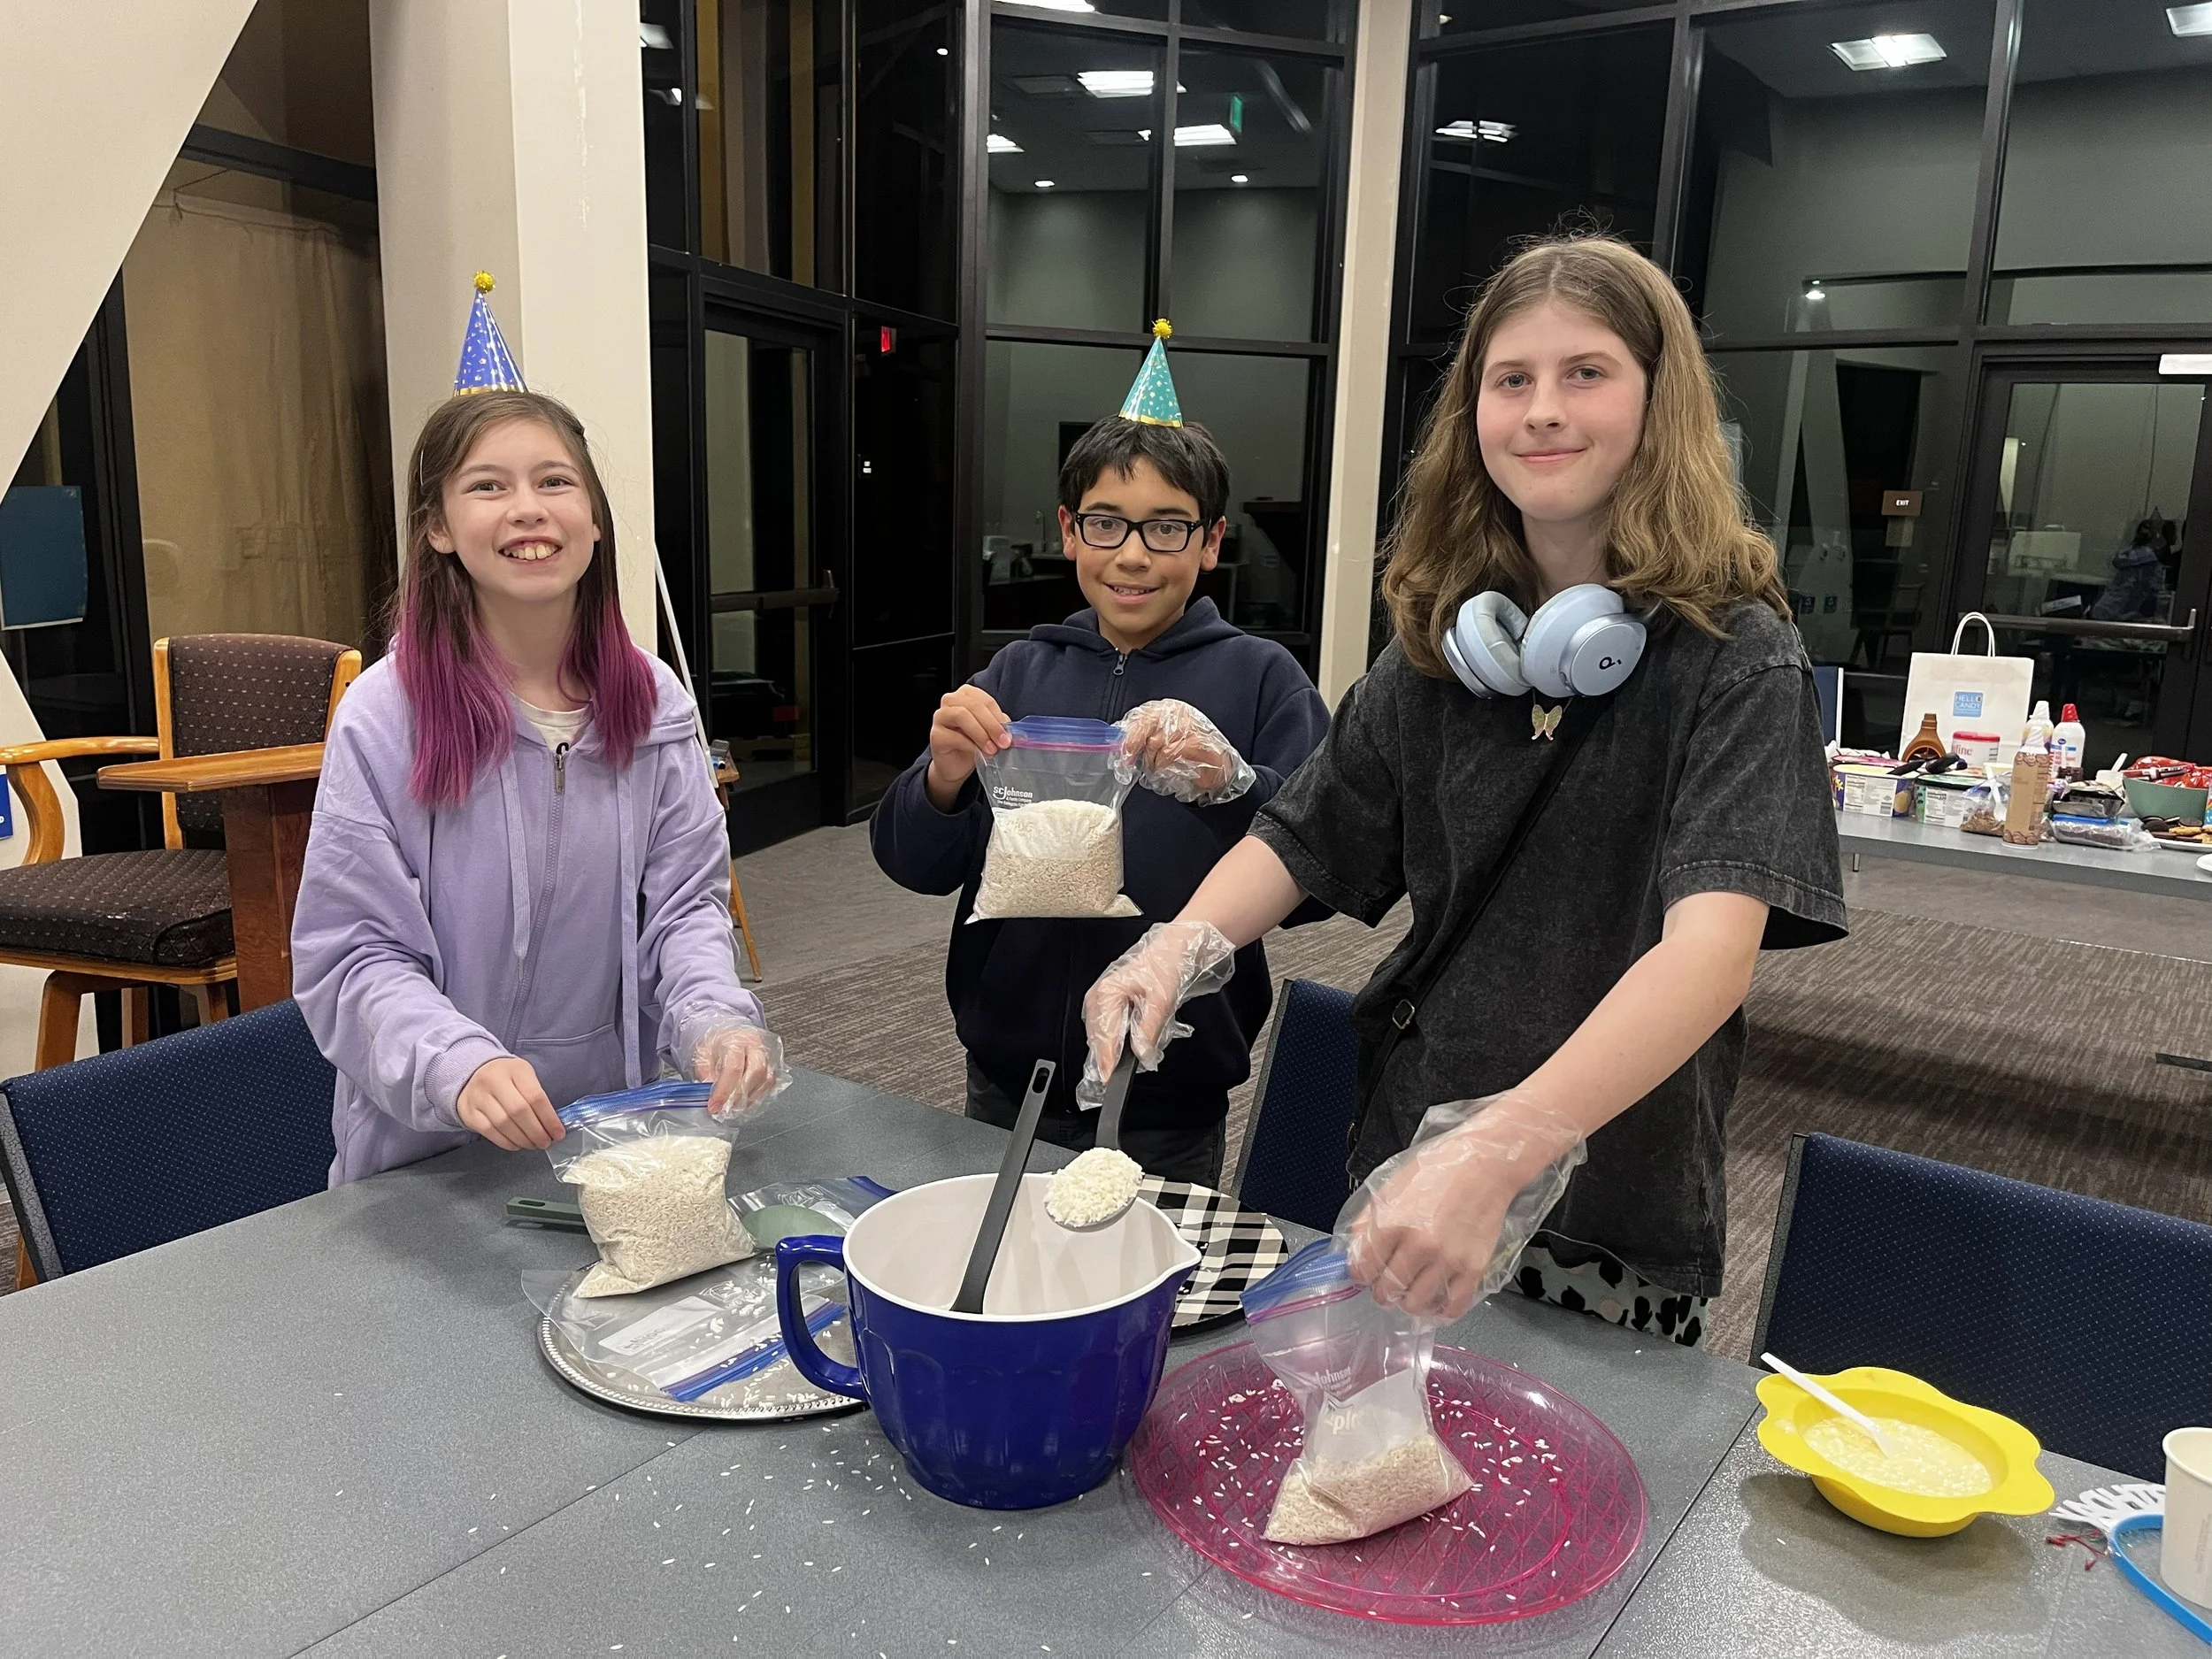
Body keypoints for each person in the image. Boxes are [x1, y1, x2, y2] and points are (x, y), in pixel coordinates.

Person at [1083, 236, 1846, 1344]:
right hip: (1407, 1152)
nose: (1542, 409)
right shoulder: (1447, 638)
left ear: (1657, 400)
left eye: (1586, 372)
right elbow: (1305, 834)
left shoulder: (1738, 656)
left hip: (1603, 1190)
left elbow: (1709, 957)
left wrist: (1501, 1145)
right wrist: (1181, 941)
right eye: (1510, 379)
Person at [294, 291, 782, 1183]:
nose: (527, 509)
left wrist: (715, 1018)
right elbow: (354, 955)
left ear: (593, 519)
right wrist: (455, 1062)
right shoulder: (382, 716)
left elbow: (683, 909)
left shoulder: (654, 705)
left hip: (610, 1143)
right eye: (488, 485)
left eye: (555, 481)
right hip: (428, 1159)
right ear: (438, 528)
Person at [872, 322, 1329, 1185]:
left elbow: (1317, 882)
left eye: (1166, 529)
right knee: (1002, 1272)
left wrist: (1232, 783)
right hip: (1008, 1073)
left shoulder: (1264, 678)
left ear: (1210, 540)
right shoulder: (1018, 668)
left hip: (1170, 1080)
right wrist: (941, 780)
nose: (1131, 554)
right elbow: (917, 867)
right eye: (1106, 523)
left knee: (1146, 1287)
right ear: (1068, 530)